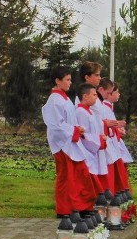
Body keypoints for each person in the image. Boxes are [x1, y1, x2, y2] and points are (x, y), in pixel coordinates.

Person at [40, 66, 96, 219]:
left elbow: (67, 121)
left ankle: (80, 205)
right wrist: (74, 131)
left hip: (71, 141)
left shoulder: (64, 98)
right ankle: (64, 209)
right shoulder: (54, 100)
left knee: (79, 174)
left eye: (70, 79)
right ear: (57, 81)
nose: (70, 83)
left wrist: (77, 129)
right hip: (62, 144)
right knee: (66, 176)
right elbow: (56, 125)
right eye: (67, 80)